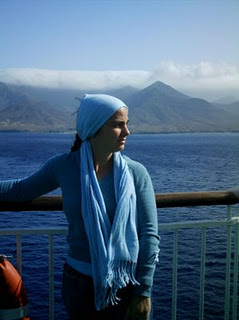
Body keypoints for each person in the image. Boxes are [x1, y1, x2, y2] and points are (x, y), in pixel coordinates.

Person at [0, 94, 160, 320]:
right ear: (94, 128)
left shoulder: (136, 173)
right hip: (78, 284)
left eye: (126, 124)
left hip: (126, 285)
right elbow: (20, 189)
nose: (127, 132)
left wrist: (144, 291)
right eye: (117, 125)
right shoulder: (64, 166)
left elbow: (149, 235)